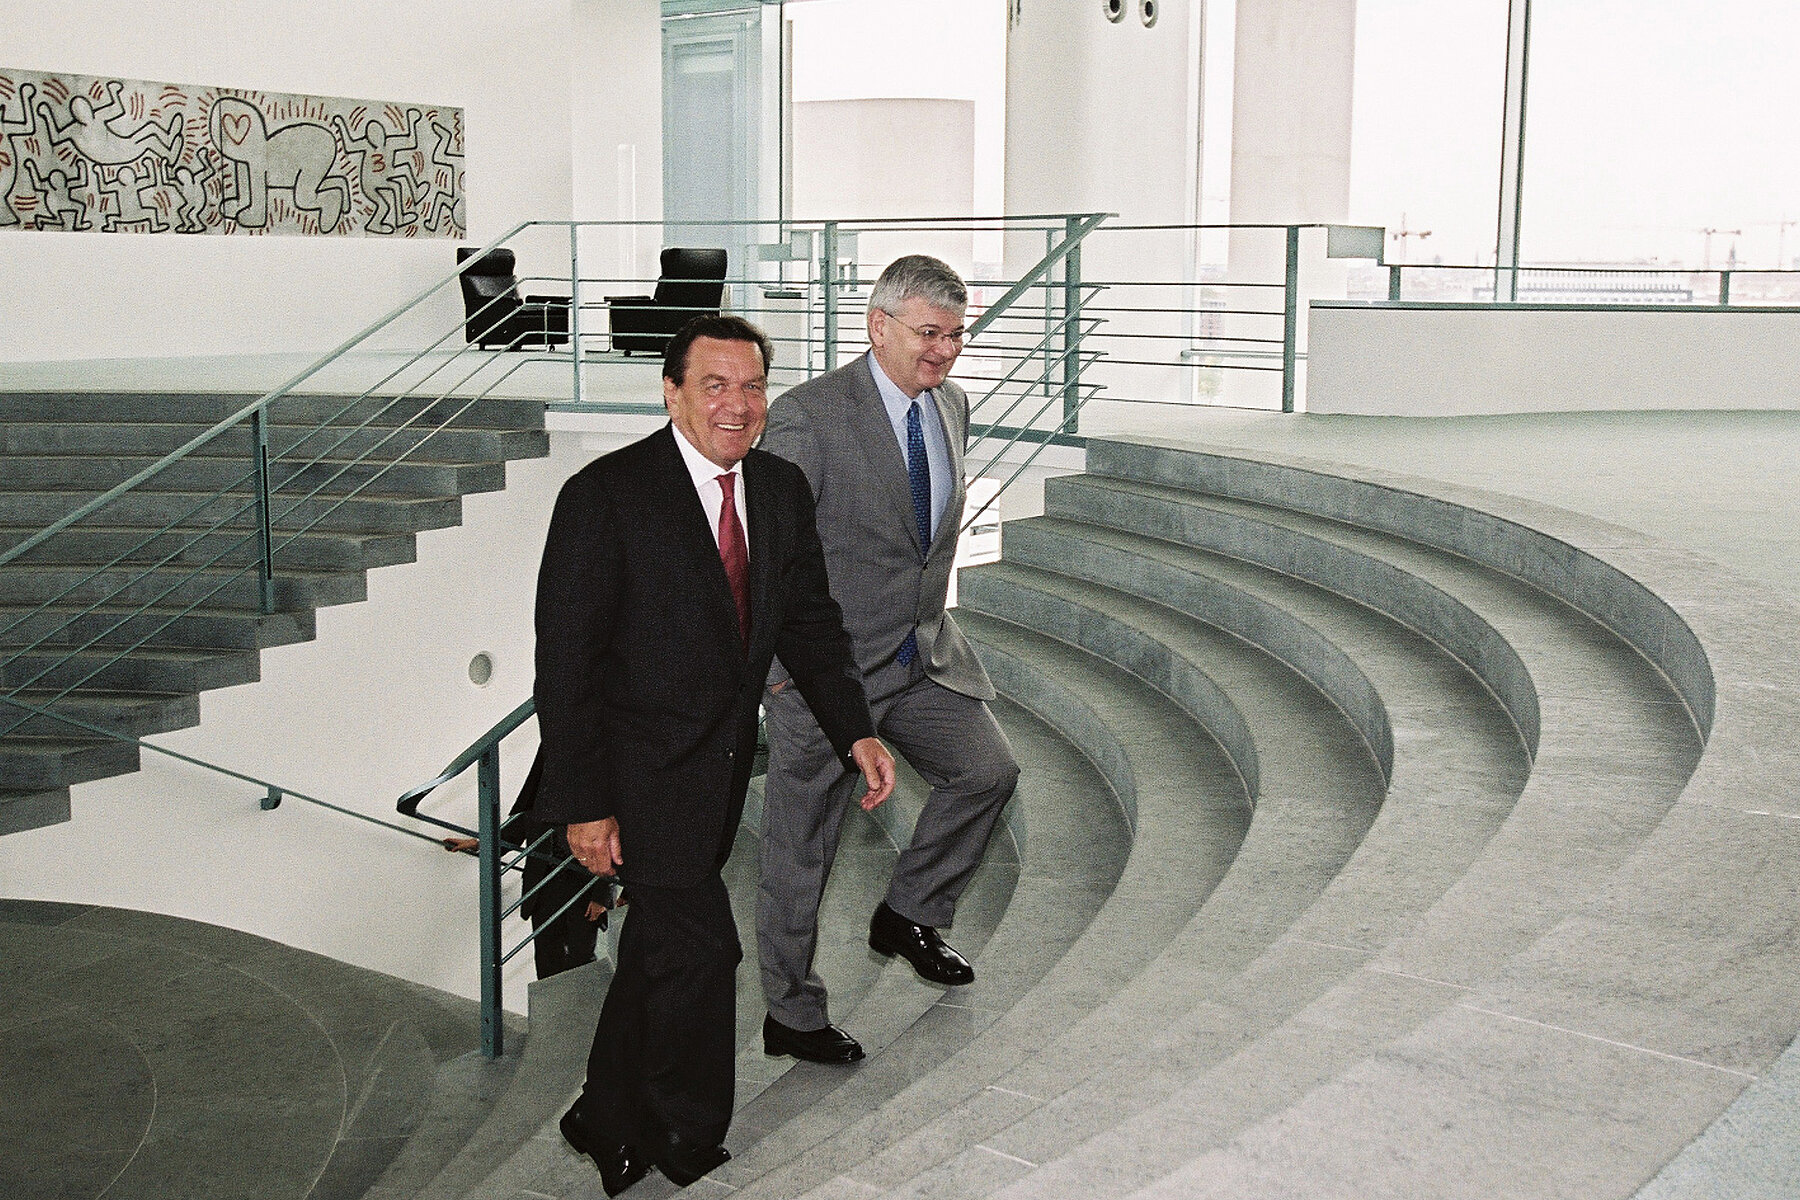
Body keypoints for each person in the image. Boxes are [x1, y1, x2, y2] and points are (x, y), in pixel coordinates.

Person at [530, 314, 897, 1196]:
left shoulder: (776, 489)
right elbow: (565, 664)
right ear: (672, 393)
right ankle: (678, 1126)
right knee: (703, 953)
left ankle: (598, 1112)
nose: (739, 406)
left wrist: (855, 728)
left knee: (659, 949)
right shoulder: (604, 495)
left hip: (719, 770)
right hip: (631, 779)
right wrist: (584, 803)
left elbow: (809, 624)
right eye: (716, 386)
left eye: (754, 386)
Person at [756, 255, 1021, 1066]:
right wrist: (776, 672)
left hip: (920, 655)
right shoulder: (808, 417)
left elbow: (922, 541)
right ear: (879, 326)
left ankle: (909, 911)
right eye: (929, 334)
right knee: (802, 852)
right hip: (825, 675)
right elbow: (765, 553)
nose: (943, 352)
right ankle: (792, 1014)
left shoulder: (952, 405)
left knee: (987, 771)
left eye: (956, 335)